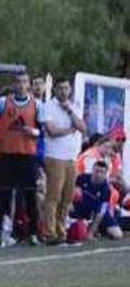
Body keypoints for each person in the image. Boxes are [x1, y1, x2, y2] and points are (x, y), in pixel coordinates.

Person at [0, 72, 45, 246]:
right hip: (7, 155)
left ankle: (33, 233)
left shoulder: (37, 105)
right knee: (5, 195)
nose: (21, 85)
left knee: (29, 195)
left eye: (24, 82)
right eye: (18, 82)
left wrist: (33, 132)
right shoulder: (2, 102)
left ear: (28, 84)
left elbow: (43, 130)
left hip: (28, 155)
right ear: (13, 85)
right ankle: (4, 233)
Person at [41, 77, 86, 245]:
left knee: (67, 197)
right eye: (60, 88)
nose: (63, 91)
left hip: (71, 158)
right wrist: (70, 129)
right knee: (53, 196)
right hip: (55, 156)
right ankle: (49, 233)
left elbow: (82, 127)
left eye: (66, 88)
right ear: (54, 90)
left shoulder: (74, 106)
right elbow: (52, 131)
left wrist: (69, 112)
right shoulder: (48, 107)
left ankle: (61, 231)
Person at [70, 161, 123, 240]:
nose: (98, 174)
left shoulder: (106, 190)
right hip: (80, 209)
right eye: (96, 171)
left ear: (105, 174)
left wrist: (90, 233)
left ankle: (98, 229)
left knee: (117, 234)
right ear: (92, 170)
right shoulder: (81, 178)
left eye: (102, 172)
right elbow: (69, 193)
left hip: (96, 213)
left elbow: (100, 213)